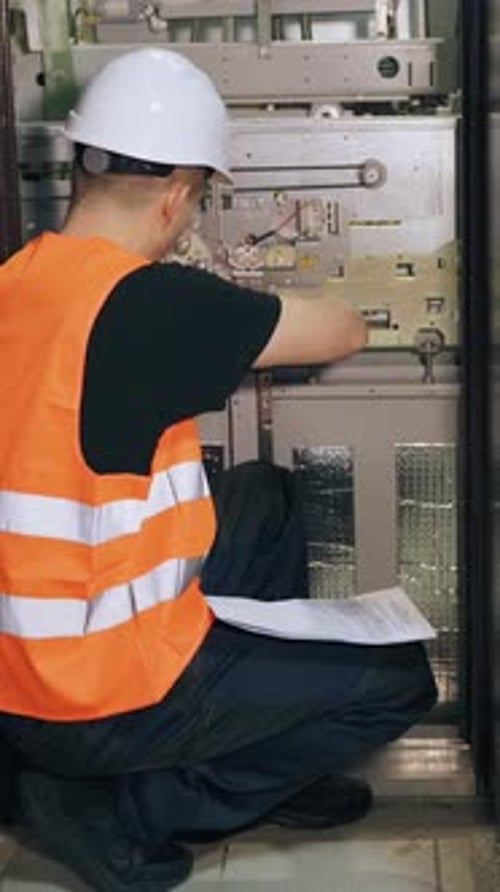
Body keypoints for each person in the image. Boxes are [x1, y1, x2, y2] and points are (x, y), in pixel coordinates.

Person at [0, 48, 437, 891]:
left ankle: (244, 747)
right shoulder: (149, 305)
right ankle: (135, 809)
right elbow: (342, 328)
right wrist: (216, 291)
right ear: (177, 197)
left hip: (22, 655)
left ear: (82, 172)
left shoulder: (18, 284)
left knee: (263, 501)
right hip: (91, 691)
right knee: (396, 678)